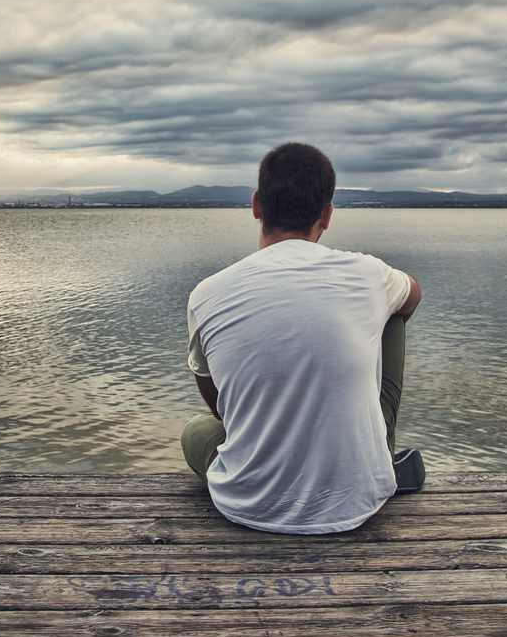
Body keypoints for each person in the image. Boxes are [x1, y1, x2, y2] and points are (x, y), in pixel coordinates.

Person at [179, 142, 423, 534]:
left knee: (196, 431)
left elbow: (217, 402)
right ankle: (379, 452)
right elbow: (414, 294)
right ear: (327, 215)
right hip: (359, 500)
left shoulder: (207, 293)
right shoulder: (368, 273)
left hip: (248, 505)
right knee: (395, 308)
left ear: (256, 205)